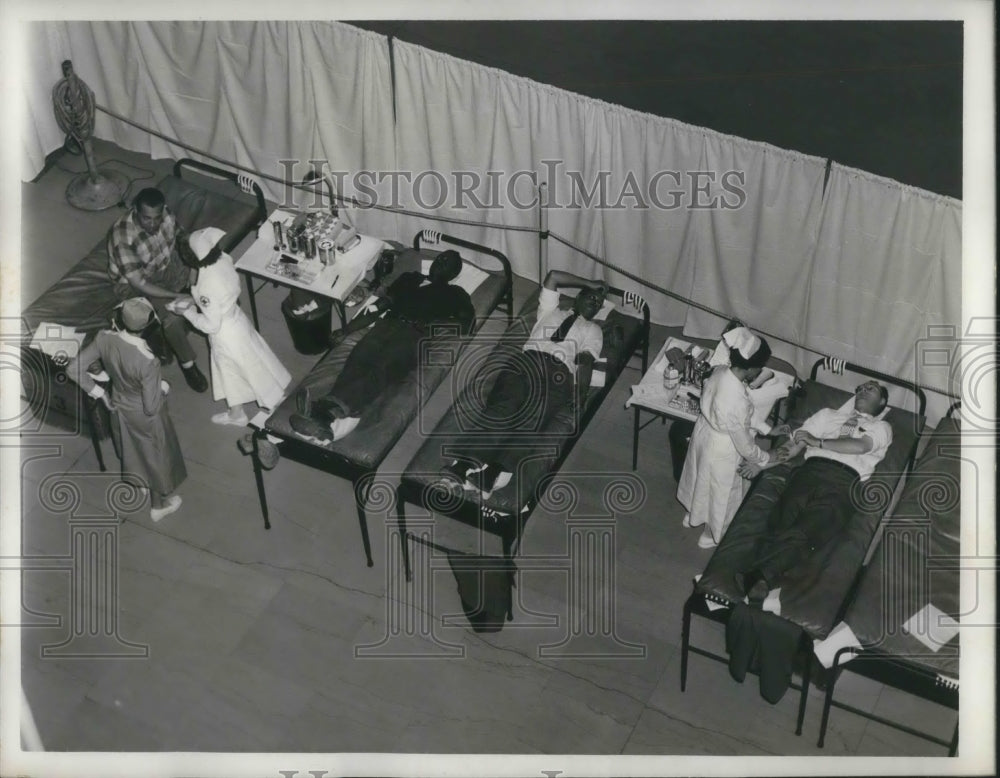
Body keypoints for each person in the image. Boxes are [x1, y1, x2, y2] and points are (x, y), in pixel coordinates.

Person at [440, 269, 611, 499]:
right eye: (590, 296)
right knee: (501, 410)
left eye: (598, 303)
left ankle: (492, 473)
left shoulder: (594, 330)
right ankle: (463, 466)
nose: (594, 302)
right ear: (578, 296)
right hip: (526, 362)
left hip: (559, 375)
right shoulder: (550, 311)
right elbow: (553, 277)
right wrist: (590, 281)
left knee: (532, 421)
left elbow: (586, 361)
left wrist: (580, 396)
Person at [289, 249, 476, 443]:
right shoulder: (410, 278)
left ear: (453, 274)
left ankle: (323, 413)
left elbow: (467, 324)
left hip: (414, 336)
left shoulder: (455, 293)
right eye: (440, 258)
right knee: (357, 359)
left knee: (380, 368)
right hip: (386, 325)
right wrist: (347, 330)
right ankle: (323, 419)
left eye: (448, 262)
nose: (441, 262)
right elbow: (381, 305)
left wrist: (433, 324)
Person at [734, 380, 893, 604]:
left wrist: (817, 442)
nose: (862, 390)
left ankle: (759, 577)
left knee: (810, 528)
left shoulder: (882, 428)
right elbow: (794, 445)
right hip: (809, 471)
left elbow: (860, 446)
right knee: (781, 522)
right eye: (860, 388)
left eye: (871, 389)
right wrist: (763, 463)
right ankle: (762, 580)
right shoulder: (827, 415)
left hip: (845, 481)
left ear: (883, 401)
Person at [66, 298, 187, 522]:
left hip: (118, 403)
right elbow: (151, 407)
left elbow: (74, 369)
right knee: (155, 456)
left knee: (131, 448)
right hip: (143, 414)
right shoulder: (148, 360)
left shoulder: (104, 338)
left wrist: (100, 393)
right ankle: (158, 506)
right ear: (147, 325)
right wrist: (163, 388)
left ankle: (140, 483)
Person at [677, 327, 789, 549]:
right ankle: (711, 533)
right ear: (751, 368)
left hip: (703, 433)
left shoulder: (720, 371)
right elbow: (745, 444)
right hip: (723, 448)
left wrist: (766, 429)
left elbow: (742, 416)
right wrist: (765, 457)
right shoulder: (735, 399)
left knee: (699, 476)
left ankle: (692, 514)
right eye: (760, 367)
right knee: (721, 491)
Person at [169, 227, 291, 426]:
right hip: (237, 318)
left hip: (225, 334)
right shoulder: (223, 259)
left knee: (251, 368)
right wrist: (195, 301)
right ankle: (236, 413)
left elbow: (211, 325)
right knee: (229, 370)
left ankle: (278, 409)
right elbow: (219, 295)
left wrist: (187, 312)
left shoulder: (205, 286)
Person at [107, 187, 209, 392]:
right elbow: (139, 283)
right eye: (147, 219)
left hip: (164, 266)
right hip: (136, 285)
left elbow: (183, 240)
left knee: (209, 275)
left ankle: (213, 321)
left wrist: (193, 269)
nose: (153, 224)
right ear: (135, 210)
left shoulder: (166, 214)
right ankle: (188, 365)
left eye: (157, 218)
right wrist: (178, 295)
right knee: (173, 318)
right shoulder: (122, 237)